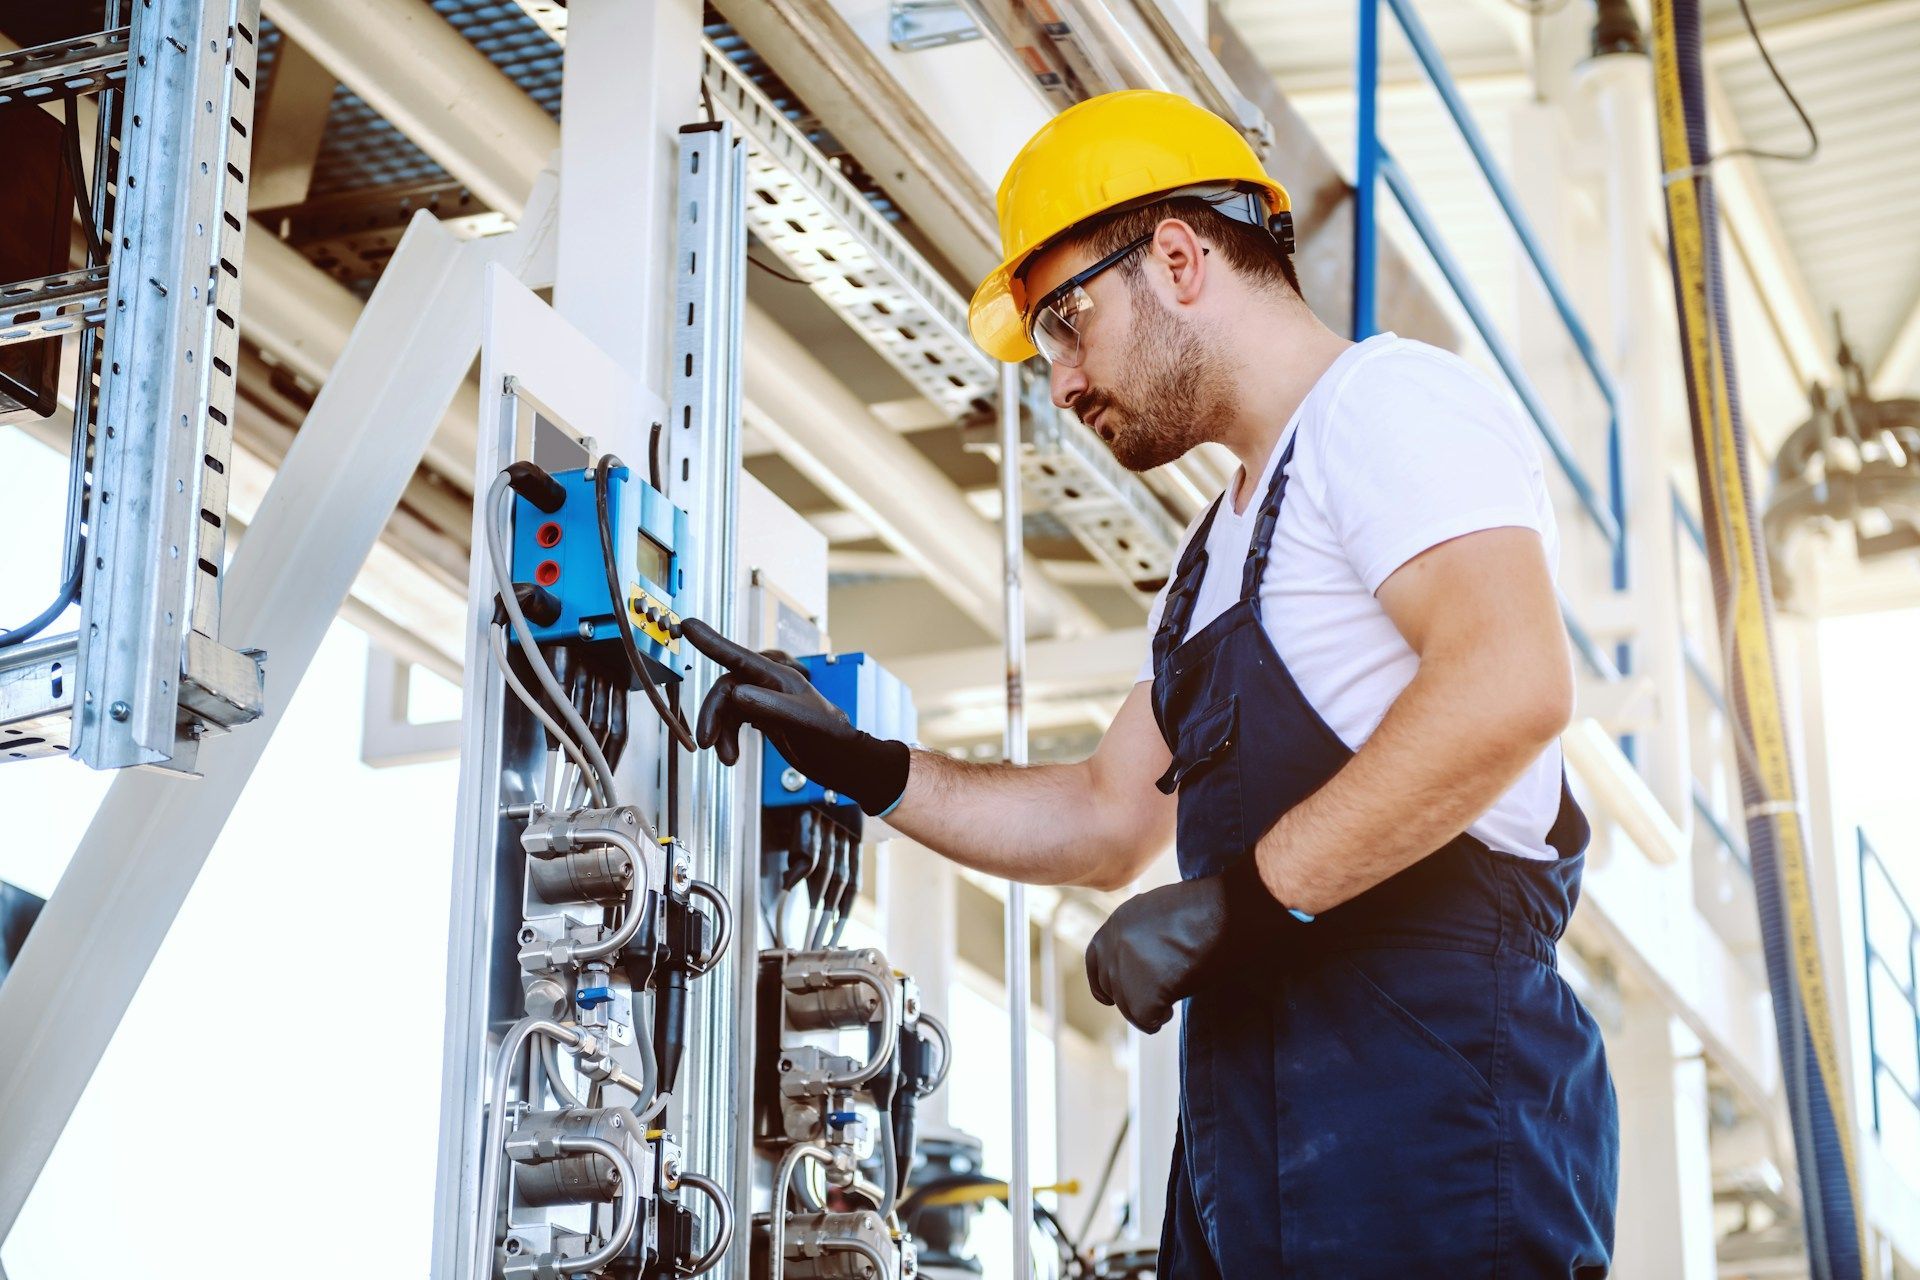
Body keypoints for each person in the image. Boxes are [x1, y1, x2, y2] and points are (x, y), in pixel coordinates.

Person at [682, 88, 1618, 1277]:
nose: (1061, 382)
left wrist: (1245, 899)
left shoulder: (1385, 408)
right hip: (1251, 1145)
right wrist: (867, 764)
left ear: (1177, 258)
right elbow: (1108, 815)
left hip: (1430, 1122)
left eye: (1066, 324)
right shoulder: (1216, 550)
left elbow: (1509, 684)